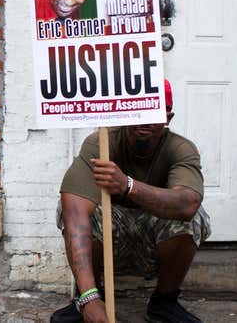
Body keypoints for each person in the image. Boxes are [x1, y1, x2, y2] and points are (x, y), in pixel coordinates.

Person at [58, 79, 210, 323]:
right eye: (139, 110)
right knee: (72, 208)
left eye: (155, 111)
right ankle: (89, 300)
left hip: (151, 241)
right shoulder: (101, 143)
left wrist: (128, 186)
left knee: (194, 217)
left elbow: (188, 203)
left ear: (168, 117)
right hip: (111, 237)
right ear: (126, 111)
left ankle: (164, 303)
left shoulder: (180, 149)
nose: (145, 120)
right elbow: (74, 211)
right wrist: (89, 297)